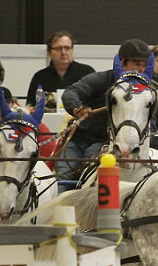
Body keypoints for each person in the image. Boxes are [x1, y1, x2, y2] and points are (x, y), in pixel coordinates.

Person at [60, 39, 151, 184]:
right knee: (62, 176)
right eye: (136, 64)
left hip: (105, 143)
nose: (140, 69)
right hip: (78, 139)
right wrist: (77, 108)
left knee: (88, 172)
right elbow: (71, 92)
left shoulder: (146, 92)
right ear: (123, 63)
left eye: (143, 65)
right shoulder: (101, 79)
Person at [25, 31, 94, 112]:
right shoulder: (40, 77)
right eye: (58, 48)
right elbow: (31, 106)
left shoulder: (87, 72)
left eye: (67, 48)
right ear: (49, 52)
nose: (63, 52)